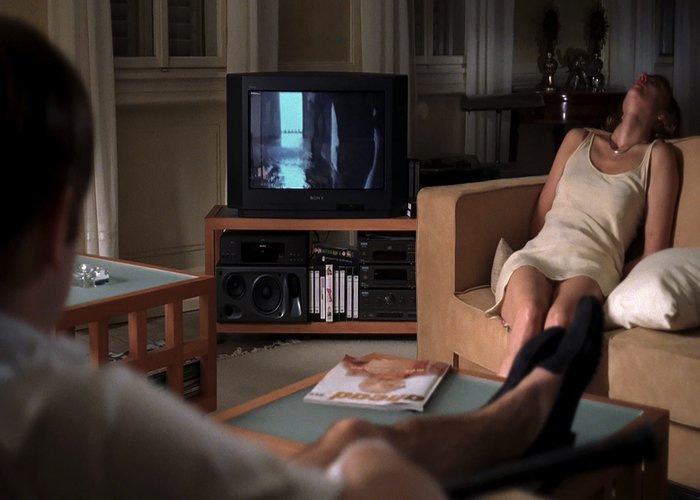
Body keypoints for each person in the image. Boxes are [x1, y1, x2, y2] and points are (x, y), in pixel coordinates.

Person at [0, 15, 607, 499]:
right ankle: (521, 411)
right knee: (365, 459)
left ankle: (482, 415)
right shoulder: (74, 418)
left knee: (348, 435)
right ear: (56, 224)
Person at [488, 72, 681, 377]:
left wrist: (613, 272)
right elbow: (540, 218)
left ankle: (519, 406)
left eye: (656, 82)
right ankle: (499, 409)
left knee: (558, 322)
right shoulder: (578, 139)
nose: (643, 77)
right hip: (541, 253)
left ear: (662, 116)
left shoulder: (658, 157)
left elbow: (654, 253)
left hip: (593, 266)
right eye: (642, 77)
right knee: (529, 313)